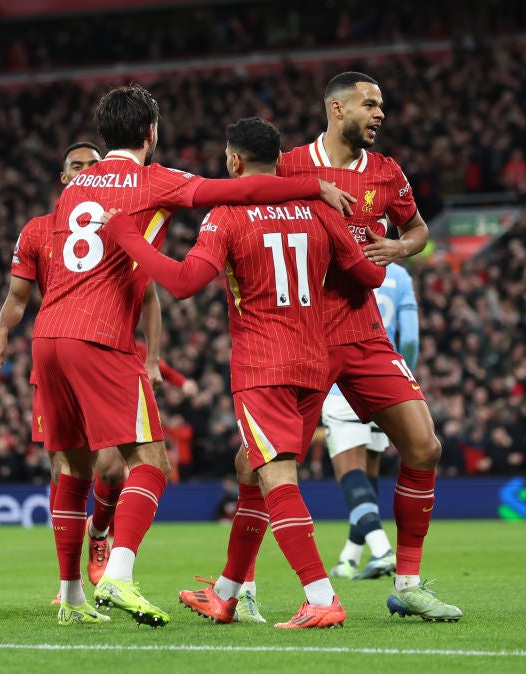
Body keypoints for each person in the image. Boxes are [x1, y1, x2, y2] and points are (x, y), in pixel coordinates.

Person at [31, 83, 355, 627]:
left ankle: (71, 596)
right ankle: (117, 577)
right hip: (100, 334)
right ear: (151, 134)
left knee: (72, 467)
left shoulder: (73, 186)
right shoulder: (154, 178)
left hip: (48, 335)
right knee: (152, 465)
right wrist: (313, 185)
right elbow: (240, 194)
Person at [103, 116, 385, 628]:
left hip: (263, 366)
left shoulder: (227, 214)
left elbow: (186, 282)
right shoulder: (320, 208)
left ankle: (321, 596)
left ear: (234, 162)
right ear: (279, 160)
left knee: (275, 472)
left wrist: (132, 241)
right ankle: (228, 592)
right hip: (314, 362)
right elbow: (369, 274)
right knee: (248, 467)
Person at [0, 143, 197, 614]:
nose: (88, 172)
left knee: (113, 468)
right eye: (78, 166)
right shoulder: (38, 230)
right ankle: (70, 588)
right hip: (57, 354)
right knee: (67, 469)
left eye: (94, 165)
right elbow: (16, 298)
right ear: (63, 176)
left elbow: (150, 297)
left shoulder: (116, 220)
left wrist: (154, 359)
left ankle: (100, 534)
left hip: (102, 351)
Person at [277, 71, 462, 621]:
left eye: (382, 105)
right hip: (303, 333)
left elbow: (421, 231)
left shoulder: (386, 172)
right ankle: (236, 584)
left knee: (424, 447)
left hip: (362, 330)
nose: (380, 113)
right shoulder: (290, 165)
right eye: (370, 104)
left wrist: (398, 246)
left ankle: (406, 582)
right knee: (259, 462)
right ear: (337, 109)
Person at [325, 262, 419, 580]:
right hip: (383, 380)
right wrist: (399, 377)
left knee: (350, 473)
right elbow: (410, 341)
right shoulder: (401, 276)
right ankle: (350, 557)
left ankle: (382, 551)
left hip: (342, 384)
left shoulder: (336, 260)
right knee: (370, 473)